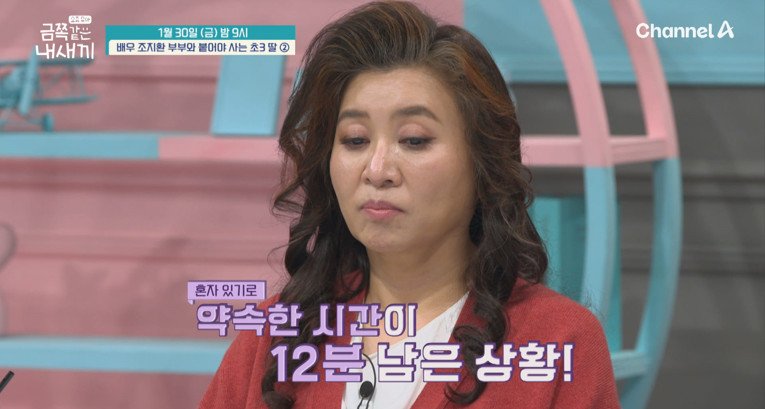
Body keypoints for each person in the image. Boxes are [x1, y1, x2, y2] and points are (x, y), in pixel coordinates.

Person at [199, 1, 619, 408]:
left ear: (482, 162)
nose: (377, 170)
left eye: (414, 140)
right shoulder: (277, 334)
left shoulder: (558, 341)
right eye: (355, 140)